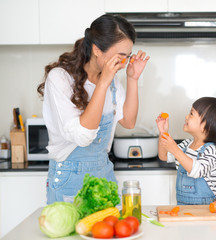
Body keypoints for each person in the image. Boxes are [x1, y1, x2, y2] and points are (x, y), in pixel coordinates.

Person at [37, 14, 150, 204]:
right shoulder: (60, 79)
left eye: (128, 56)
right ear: (97, 49)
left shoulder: (112, 81)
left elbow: (128, 122)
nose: (124, 63)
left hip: (104, 174)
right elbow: (83, 136)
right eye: (121, 57)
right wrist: (103, 82)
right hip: (70, 178)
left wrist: (132, 79)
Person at [156, 97, 216, 205]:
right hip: (183, 207)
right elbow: (163, 156)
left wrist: (175, 149)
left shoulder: (211, 151)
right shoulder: (186, 144)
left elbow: (197, 171)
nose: (186, 116)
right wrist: (163, 132)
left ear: (205, 126)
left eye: (191, 114)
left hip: (207, 209)